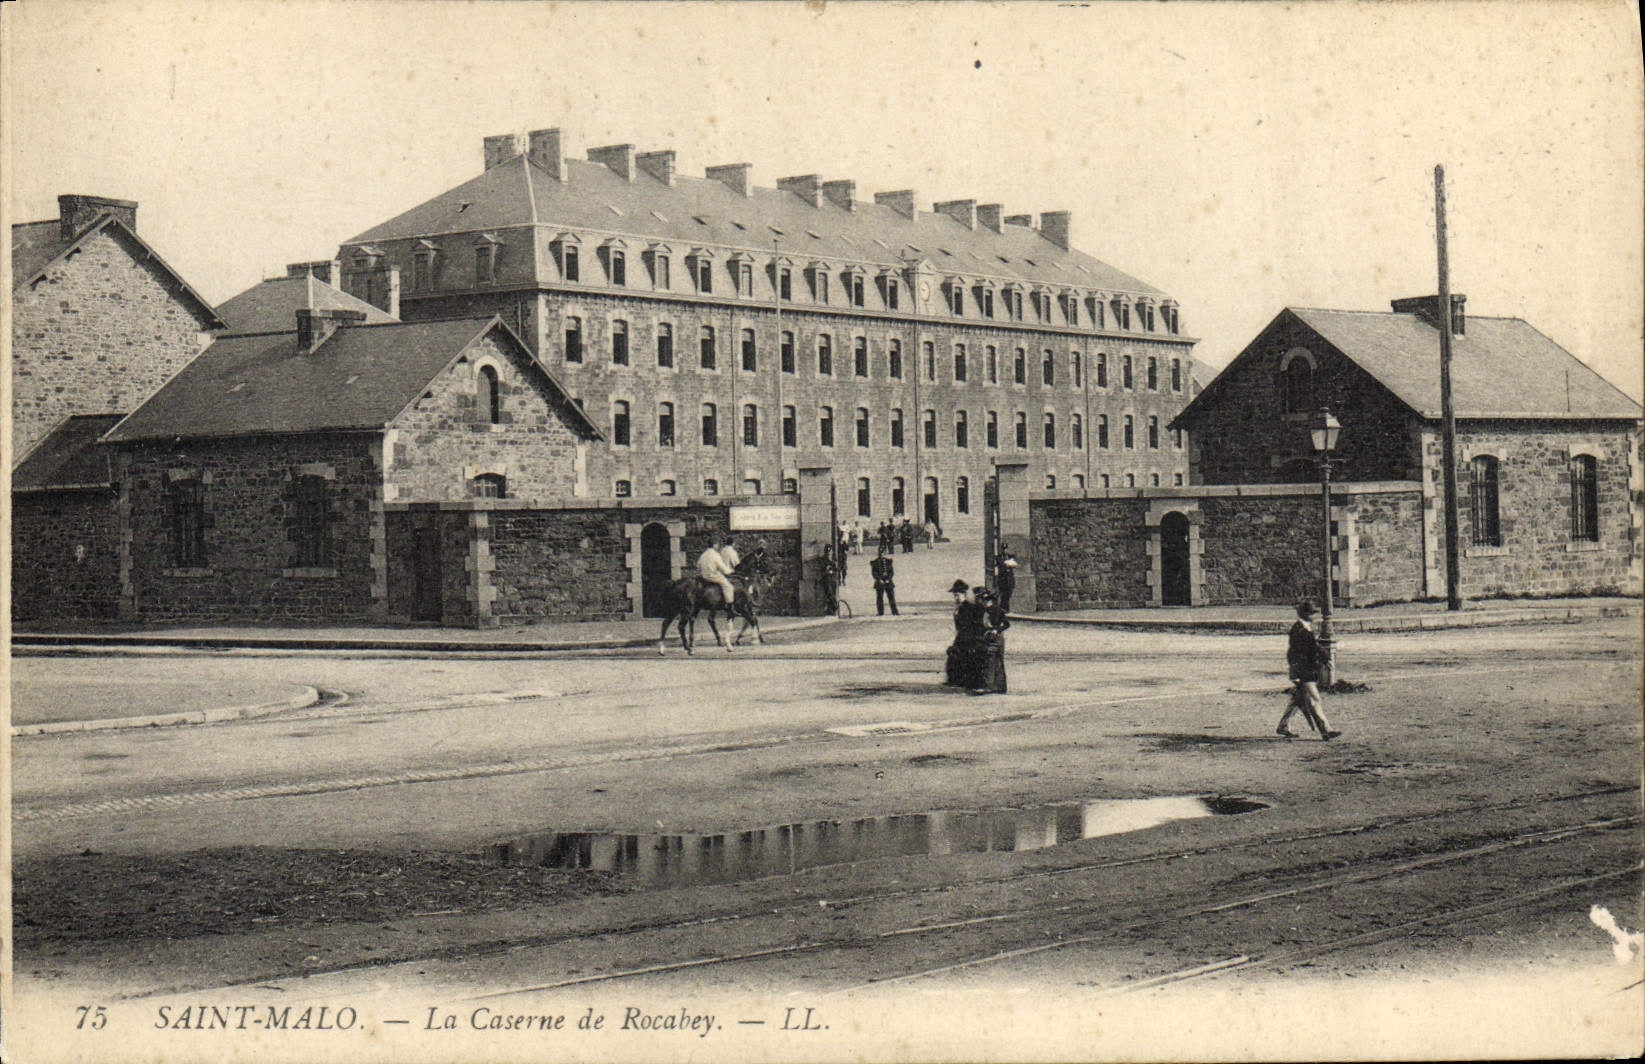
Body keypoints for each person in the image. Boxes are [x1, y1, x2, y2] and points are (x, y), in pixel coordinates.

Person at [1279, 601, 1341, 740]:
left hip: (1307, 670)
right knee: (1315, 699)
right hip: (1303, 671)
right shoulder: (1299, 630)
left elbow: (1313, 648)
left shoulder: (1304, 628)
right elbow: (1293, 653)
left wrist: (1325, 659)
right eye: (1312, 613)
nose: (1314, 616)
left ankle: (1283, 726)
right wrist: (1295, 672)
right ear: (1306, 614)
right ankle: (1326, 730)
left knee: (1297, 700)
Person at [944, 579, 987, 688]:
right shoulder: (960, 607)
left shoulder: (967, 607)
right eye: (954, 595)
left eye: (957, 595)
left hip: (968, 637)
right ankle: (957, 680)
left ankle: (966, 681)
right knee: (957, 657)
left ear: (964, 594)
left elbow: (971, 624)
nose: (956, 598)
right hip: (962, 636)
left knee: (966, 658)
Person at [973, 586, 1009, 693]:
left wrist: (996, 630)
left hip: (996, 638)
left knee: (992, 660)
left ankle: (991, 686)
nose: (983, 603)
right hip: (989, 637)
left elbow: (1006, 624)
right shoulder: (986, 611)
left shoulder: (996, 610)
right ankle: (997, 687)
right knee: (992, 660)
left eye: (984, 601)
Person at [697, 535, 738, 609]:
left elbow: (698, 566)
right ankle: (730, 607)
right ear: (714, 545)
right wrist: (731, 571)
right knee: (729, 586)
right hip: (713, 576)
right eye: (717, 544)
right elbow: (724, 569)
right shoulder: (715, 555)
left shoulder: (703, 554)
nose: (718, 546)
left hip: (703, 576)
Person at [870, 545, 898, 616]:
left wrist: (888, 579)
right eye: (880, 553)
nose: (881, 555)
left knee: (891, 597)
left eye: (882, 553)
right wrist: (879, 579)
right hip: (880, 582)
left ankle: (894, 611)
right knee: (879, 598)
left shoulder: (888, 562)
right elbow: (874, 573)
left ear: (884, 553)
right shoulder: (875, 562)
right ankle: (880, 612)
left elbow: (891, 572)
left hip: (888, 582)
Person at [817, 546, 839, 614]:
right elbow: (821, 569)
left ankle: (831, 610)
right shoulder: (823, 559)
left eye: (829, 552)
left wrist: (833, 570)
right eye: (827, 552)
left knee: (832, 593)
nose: (828, 553)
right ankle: (834, 607)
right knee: (829, 594)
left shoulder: (833, 559)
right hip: (826, 579)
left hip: (833, 579)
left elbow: (837, 569)